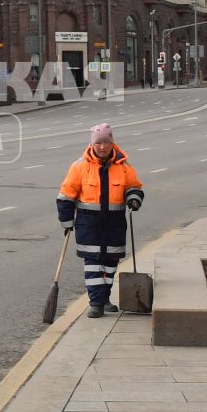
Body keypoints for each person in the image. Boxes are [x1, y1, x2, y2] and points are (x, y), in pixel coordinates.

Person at [56, 123, 144, 319]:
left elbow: (134, 187)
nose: (102, 147)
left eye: (106, 142)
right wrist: (67, 220)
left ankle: (105, 299)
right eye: (98, 143)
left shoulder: (123, 167)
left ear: (112, 143)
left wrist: (133, 198)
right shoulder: (79, 167)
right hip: (89, 225)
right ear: (92, 144)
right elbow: (66, 196)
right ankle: (96, 303)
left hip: (115, 225)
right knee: (94, 264)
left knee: (110, 264)